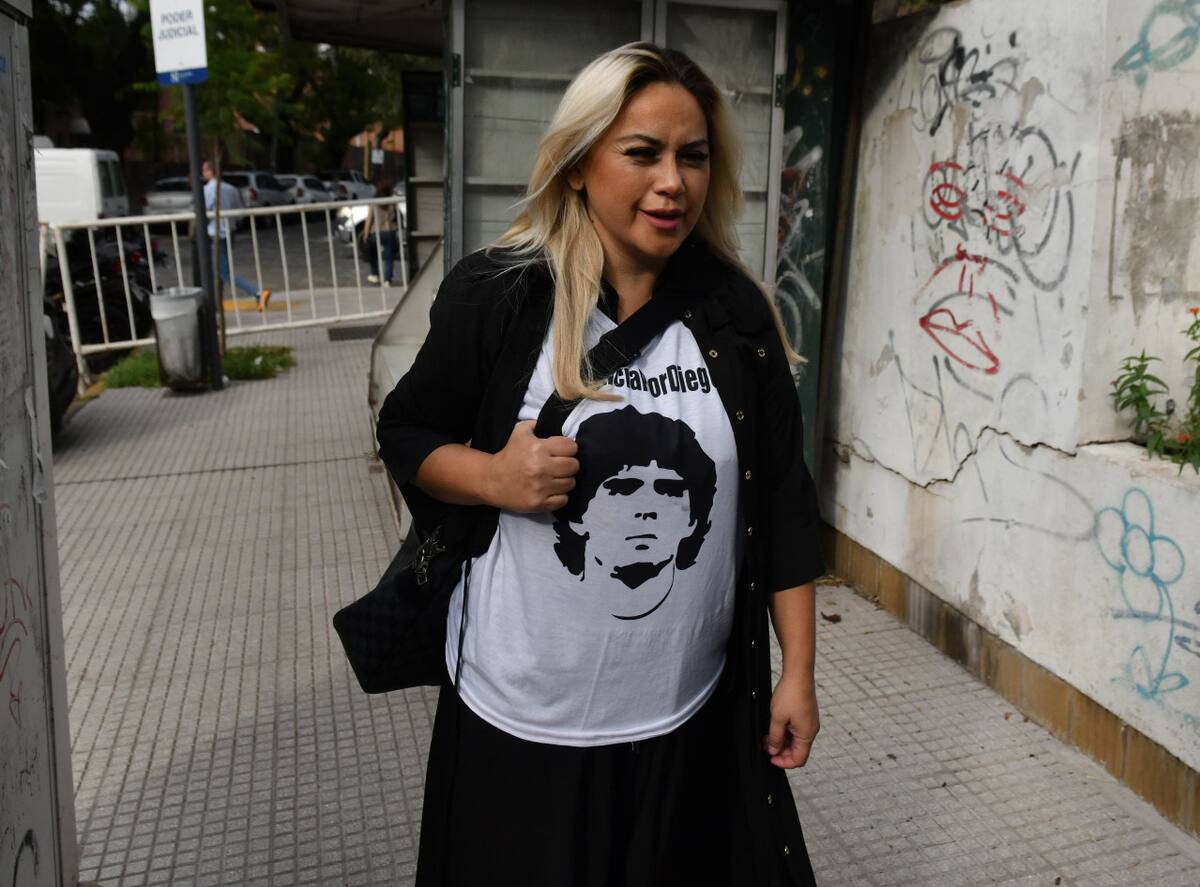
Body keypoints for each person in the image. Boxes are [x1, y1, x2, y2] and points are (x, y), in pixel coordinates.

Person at [376, 42, 824, 886]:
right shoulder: (500, 294)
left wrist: (797, 672)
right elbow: (405, 430)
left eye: (692, 157)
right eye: (643, 153)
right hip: (523, 723)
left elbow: (786, 505)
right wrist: (493, 478)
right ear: (580, 164)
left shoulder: (735, 316)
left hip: (688, 721)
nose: (673, 183)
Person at [201, 161, 270, 312]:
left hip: (215, 234)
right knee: (220, 272)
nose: (203, 173)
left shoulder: (208, 189)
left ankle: (257, 292)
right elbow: (240, 212)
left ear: (210, 171)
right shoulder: (231, 189)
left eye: (204, 170)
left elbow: (204, 211)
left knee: (223, 273)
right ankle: (216, 305)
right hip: (229, 233)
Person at [360, 179, 399, 285]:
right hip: (390, 231)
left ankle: (375, 274)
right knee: (389, 257)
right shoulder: (392, 202)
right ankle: (387, 279)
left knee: (372, 252)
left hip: (376, 232)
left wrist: (365, 234)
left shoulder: (373, 203)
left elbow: (369, 220)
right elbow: (397, 217)